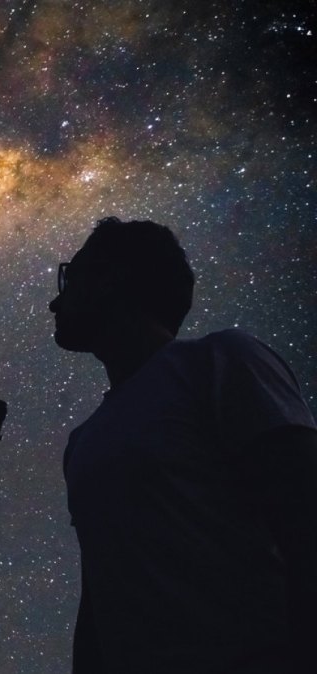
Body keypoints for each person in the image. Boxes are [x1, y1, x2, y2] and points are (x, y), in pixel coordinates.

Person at [48, 217, 317, 674]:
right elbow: (99, 595)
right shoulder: (84, 442)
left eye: (71, 278)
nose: (55, 301)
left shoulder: (223, 361)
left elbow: (305, 512)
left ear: (112, 280)